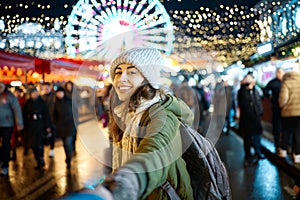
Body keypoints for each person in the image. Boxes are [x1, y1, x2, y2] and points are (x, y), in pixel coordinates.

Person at [80, 47, 195, 199]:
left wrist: (124, 184)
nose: (121, 78)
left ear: (147, 78)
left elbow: (154, 153)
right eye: (118, 72)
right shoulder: (125, 113)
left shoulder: (161, 113)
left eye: (131, 72)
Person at [238, 73, 265, 167]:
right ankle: (248, 157)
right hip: (247, 120)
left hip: (256, 118)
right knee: (247, 139)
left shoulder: (255, 90)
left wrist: (260, 112)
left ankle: (258, 153)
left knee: (257, 136)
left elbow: (259, 101)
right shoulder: (242, 91)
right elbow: (244, 105)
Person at [23, 87, 51, 169]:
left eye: (36, 93)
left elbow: (46, 115)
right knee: (33, 145)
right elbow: (24, 115)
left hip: (40, 124)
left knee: (39, 143)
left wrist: (47, 127)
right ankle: (37, 158)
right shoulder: (27, 103)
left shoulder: (42, 102)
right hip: (31, 125)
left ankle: (41, 159)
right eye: (33, 93)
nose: (34, 94)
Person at [0, 82, 24, 176]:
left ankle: (5, 165)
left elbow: (17, 109)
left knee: (6, 144)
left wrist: (19, 124)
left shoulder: (9, 96)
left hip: (7, 124)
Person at [278, 71, 300, 163]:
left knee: (286, 132)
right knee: (298, 134)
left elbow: (283, 99)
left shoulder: (286, 83)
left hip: (287, 114)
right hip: (299, 113)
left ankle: (283, 152)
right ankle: (297, 156)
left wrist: (280, 105)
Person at [53, 87, 77, 169]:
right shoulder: (55, 103)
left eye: (61, 92)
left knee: (68, 143)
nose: (59, 94)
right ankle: (68, 156)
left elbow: (75, 112)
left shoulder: (69, 101)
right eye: (58, 93)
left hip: (70, 126)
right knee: (65, 144)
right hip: (61, 127)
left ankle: (68, 159)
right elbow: (54, 115)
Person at [263, 68, 285, 153]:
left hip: (285, 109)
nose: (279, 74)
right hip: (276, 108)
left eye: (281, 72)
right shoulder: (273, 82)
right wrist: (269, 96)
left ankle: (285, 146)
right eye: (278, 72)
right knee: (277, 127)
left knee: (285, 128)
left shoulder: (286, 81)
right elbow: (265, 90)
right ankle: (278, 145)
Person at [42, 82, 56, 158]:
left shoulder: (54, 96)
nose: (46, 89)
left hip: (52, 118)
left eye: (47, 88)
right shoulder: (42, 97)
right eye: (45, 88)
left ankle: (52, 148)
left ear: (50, 87)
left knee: (52, 134)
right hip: (45, 119)